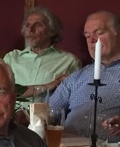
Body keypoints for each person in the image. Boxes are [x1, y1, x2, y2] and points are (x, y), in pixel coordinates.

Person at [51, 10, 120, 139]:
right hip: (69, 146)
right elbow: (49, 111)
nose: (92, 40)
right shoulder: (76, 78)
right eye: (87, 36)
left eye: (99, 33)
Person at [3, 6, 80, 104]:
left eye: (38, 25)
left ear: (52, 31)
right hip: (13, 113)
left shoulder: (69, 61)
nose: (31, 30)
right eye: (27, 25)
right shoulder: (12, 58)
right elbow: (2, 91)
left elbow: (75, 97)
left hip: (47, 113)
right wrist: (46, 87)